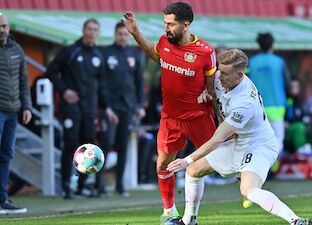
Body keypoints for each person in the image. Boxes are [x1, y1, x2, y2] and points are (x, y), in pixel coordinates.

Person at [167, 49, 312, 225]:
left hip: (259, 145)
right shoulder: (220, 78)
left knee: (248, 189)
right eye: (219, 70)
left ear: (239, 75)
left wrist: (186, 160)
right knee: (194, 171)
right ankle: (189, 220)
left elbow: (217, 140)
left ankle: (295, 220)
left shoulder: (244, 102)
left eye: (225, 73)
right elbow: (214, 95)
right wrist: (208, 98)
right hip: (239, 141)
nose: (219, 77)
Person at [122, 2, 219, 223]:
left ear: (186, 25)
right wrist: (136, 32)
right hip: (170, 118)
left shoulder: (206, 52)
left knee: (223, 162)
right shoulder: (165, 42)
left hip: (198, 117)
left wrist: (218, 114)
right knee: (163, 166)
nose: (166, 29)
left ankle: (248, 183)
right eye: (165, 23)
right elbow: (154, 55)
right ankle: (169, 213)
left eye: (171, 24)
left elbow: (212, 90)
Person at [46, 18, 118, 199]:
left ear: (98, 33)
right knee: (70, 144)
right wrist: (64, 91)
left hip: (90, 109)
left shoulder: (98, 56)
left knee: (87, 148)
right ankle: (66, 186)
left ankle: (82, 186)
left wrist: (107, 108)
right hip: (71, 107)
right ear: (84, 30)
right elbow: (51, 72)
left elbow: (101, 86)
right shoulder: (70, 51)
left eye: (96, 29)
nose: (92, 32)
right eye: (89, 29)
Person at [94, 22, 146, 197]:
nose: (123, 37)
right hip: (110, 108)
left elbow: (139, 82)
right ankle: (98, 185)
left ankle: (120, 186)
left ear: (129, 36)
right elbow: (99, 83)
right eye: (120, 34)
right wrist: (105, 106)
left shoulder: (134, 54)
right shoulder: (105, 53)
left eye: (125, 34)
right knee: (106, 143)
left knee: (123, 146)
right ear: (115, 34)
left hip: (127, 107)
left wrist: (139, 106)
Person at [0, 13, 32, 214]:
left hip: (13, 111)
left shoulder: (16, 49)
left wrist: (27, 106)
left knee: (6, 156)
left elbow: (23, 80)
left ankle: (2, 200)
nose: (1, 30)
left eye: (4, 26)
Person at [248, 32, 291, 152]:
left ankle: (259, 168)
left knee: (257, 140)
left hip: (256, 106)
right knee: (277, 140)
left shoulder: (252, 62)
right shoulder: (279, 62)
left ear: (259, 45)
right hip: (277, 106)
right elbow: (288, 84)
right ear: (272, 45)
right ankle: (273, 167)